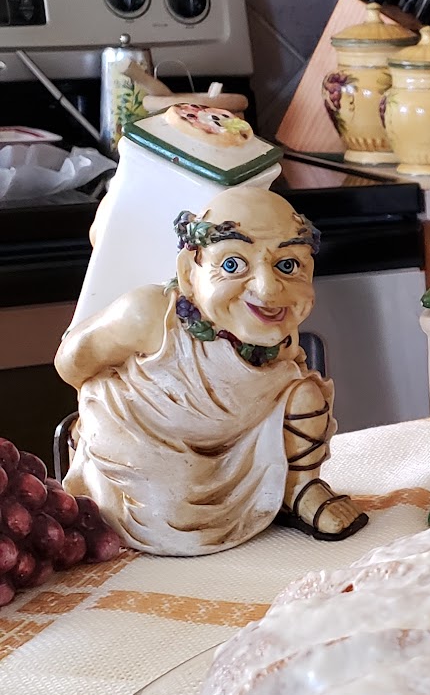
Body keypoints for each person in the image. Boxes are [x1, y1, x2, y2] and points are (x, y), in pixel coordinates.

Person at [55, 189, 367, 555]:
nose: (267, 289)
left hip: (238, 443)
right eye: (233, 265)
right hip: (149, 443)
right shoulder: (149, 315)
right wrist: (103, 422)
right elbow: (72, 363)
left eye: (288, 265)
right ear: (189, 272)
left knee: (304, 393)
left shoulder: (269, 327)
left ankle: (297, 488)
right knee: (167, 500)